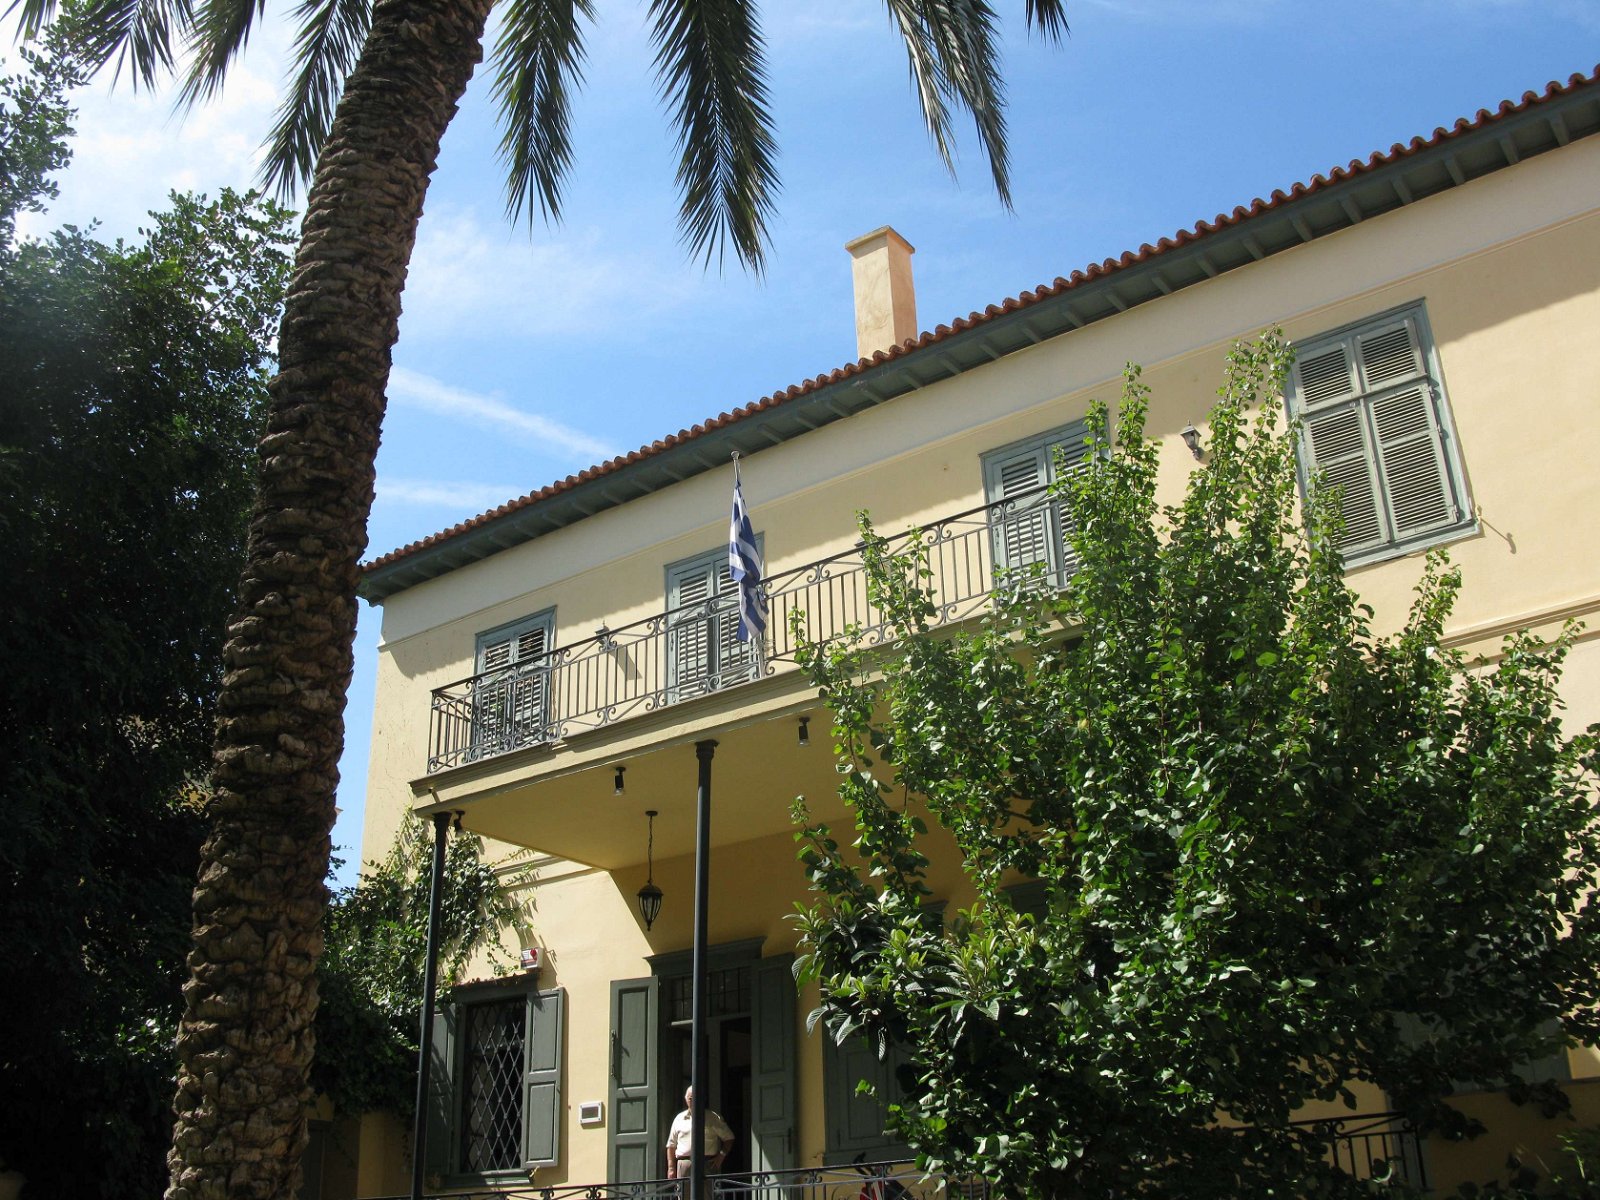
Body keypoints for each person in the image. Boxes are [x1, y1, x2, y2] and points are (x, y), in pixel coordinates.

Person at [664, 1087, 734, 1182]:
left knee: (707, 1195)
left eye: (696, 1098)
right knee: (684, 1195)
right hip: (684, 1165)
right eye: (690, 1098)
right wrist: (671, 1168)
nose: (693, 1101)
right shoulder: (679, 1119)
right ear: (686, 1099)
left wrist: (721, 1156)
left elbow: (729, 1138)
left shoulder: (712, 1117)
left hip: (707, 1164)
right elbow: (671, 1145)